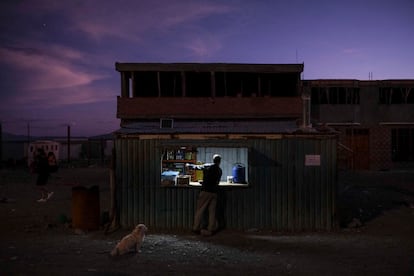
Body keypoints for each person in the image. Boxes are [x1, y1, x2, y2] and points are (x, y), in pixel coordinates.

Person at [190, 154, 222, 236]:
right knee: (212, 212)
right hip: (214, 192)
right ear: (219, 161)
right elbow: (216, 182)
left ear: (213, 160)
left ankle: (196, 228)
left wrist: (189, 165)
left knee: (200, 210)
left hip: (205, 191)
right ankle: (211, 228)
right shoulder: (219, 170)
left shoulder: (208, 166)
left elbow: (197, 167)